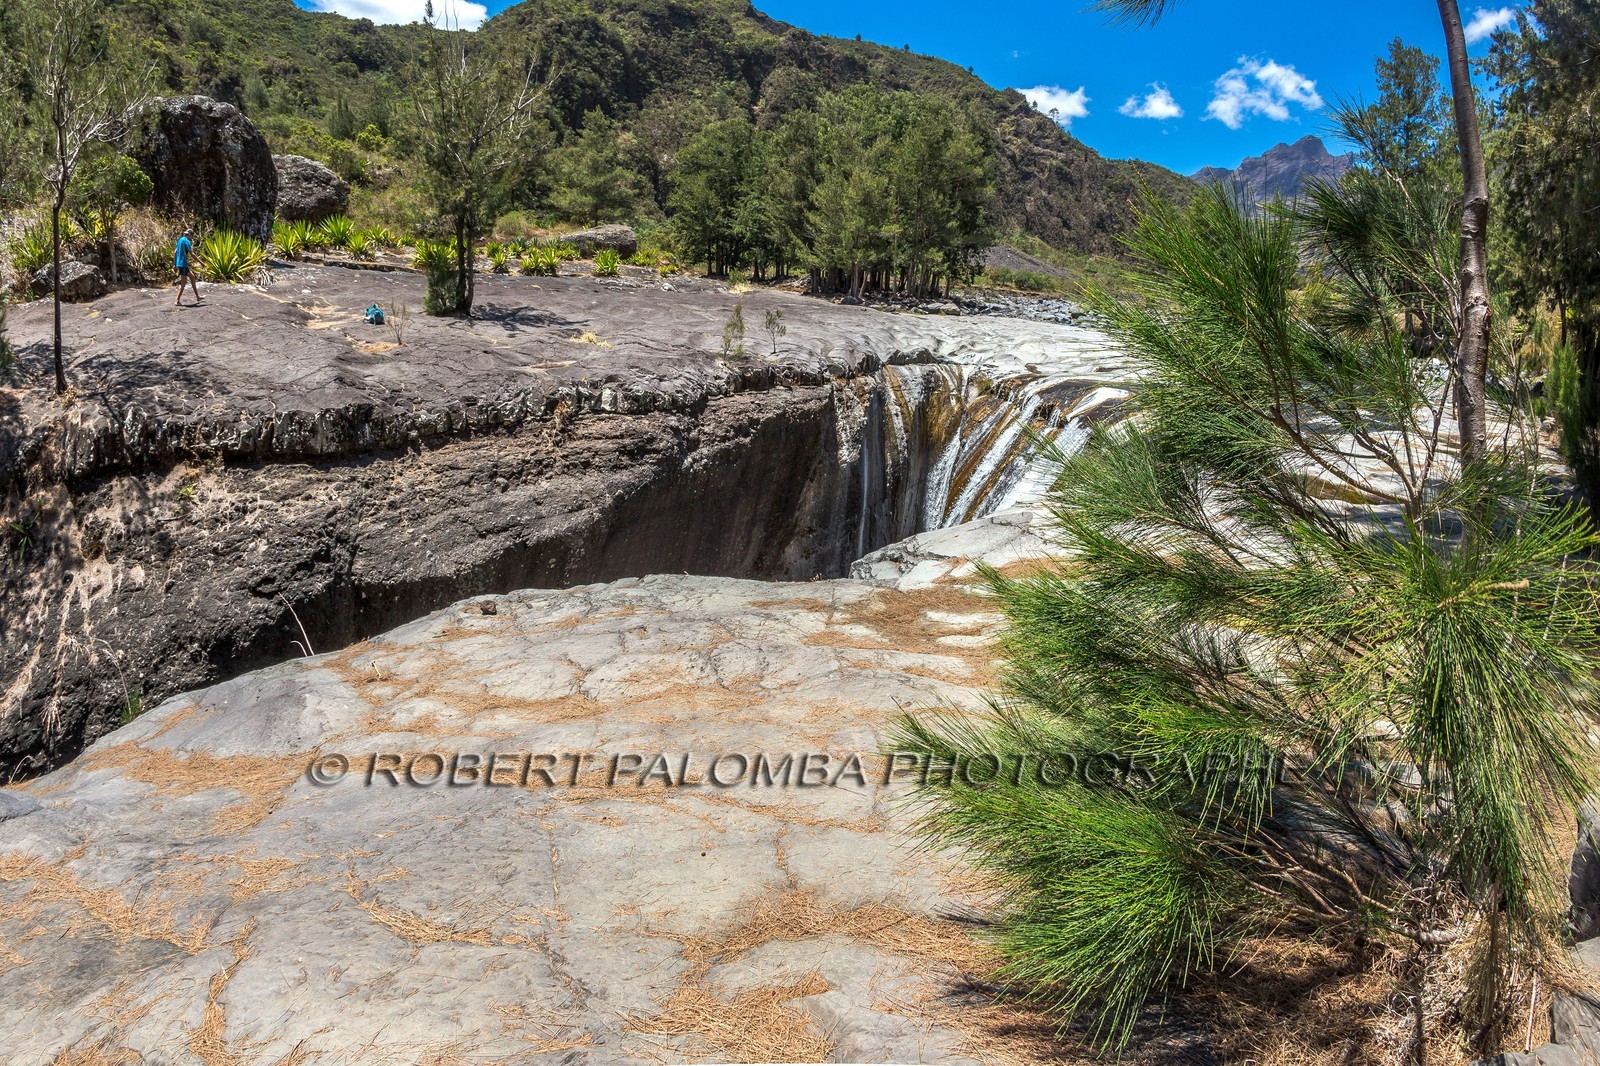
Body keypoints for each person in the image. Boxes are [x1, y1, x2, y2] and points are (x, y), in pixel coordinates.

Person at [174, 228, 202, 306]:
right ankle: (177, 301)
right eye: (191, 235)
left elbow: (175, 252)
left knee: (192, 277)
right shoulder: (186, 241)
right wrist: (201, 263)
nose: (192, 237)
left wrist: (175, 265)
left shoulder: (180, 240)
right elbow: (192, 254)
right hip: (183, 264)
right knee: (183, 283)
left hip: (181, 264)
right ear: (189, 235)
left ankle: (198, 297)